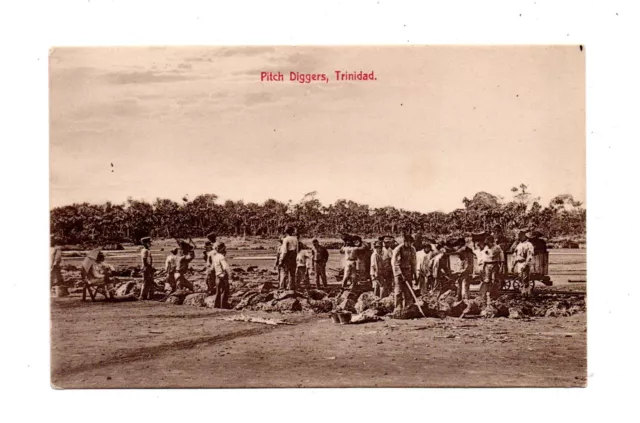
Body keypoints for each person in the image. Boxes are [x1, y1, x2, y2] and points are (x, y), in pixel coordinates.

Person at [391, 234, 417, 310]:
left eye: (411, 243)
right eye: (408, 242)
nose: (410, 244)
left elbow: (413, 262)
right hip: (399, 272)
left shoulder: (412, 249)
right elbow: (395, 263)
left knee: (408, 290)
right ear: (405, 241)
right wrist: (400, 274)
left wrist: (414, 273)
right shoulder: (398, 249)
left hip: (408, 271)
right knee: (398, 290)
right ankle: (398, 308)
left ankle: (408, 306)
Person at [480, 235, 504, 305]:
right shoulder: (486, 248)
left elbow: (501, 257)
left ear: (492, 242)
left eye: (488, 243)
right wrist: (483, 267)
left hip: (495, 265)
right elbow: (484, 258)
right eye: (486, 243)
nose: (487, 245)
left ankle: (494, 295)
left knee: (494, 280)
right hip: (487, 265)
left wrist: (502, 266)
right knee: (487, 280)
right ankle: (484, 295)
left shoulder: (497, 247)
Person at [513, 230, 535, 297]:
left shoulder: (529, 244)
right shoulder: (519, 244)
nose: (519, 236)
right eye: (518, 235)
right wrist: (513, 264)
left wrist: (526, 264)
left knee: (525, 280)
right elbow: (515, 254)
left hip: (525, 263)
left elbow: (530, 256)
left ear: (524, 235)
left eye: (520, 235)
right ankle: (522, 293)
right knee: (520, 279)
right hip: (519, 264)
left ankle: (526, 295)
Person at [211, 242, 230, 309]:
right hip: (222, 276)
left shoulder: (215, 257)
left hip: (217, 276)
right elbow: (225, 267)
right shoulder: (221, 257)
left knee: (218, 292)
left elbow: (212, 268)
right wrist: (230, 276)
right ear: (222, 248)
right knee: (224, 292)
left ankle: (216, 306)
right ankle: (223, 307)